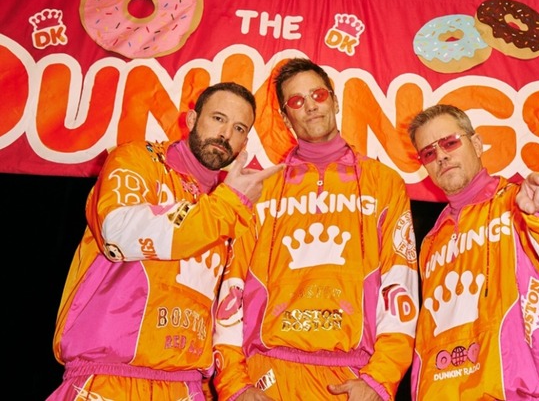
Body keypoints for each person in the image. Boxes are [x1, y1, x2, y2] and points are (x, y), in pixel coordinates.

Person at [48, 82, 284, 401]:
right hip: (110, 378)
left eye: (239, 128)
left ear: (245, 142)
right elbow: (117, 234)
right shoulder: (138, 159)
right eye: (218, 118)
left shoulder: (234, 204)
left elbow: (230, 305)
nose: (226, 134)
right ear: (191, 119)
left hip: (185, 385)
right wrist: (227, 206)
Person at [212, 58, 419, 401]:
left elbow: (400, 284)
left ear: (334, 101)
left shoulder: (384, 182)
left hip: (351, 376)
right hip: (270, 375)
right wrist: (234, 383)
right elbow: (233, 286)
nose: (310, 106)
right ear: (284, 118)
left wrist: (380, 380)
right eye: (296, 101)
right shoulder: (260, 187)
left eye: (318, 95)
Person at [406, 104, 539, 400]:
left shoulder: (518, 204)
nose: (440, 155)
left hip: (523, 393)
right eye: (428, 153)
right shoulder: (431, 241)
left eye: (449, 142)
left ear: (477, 144)